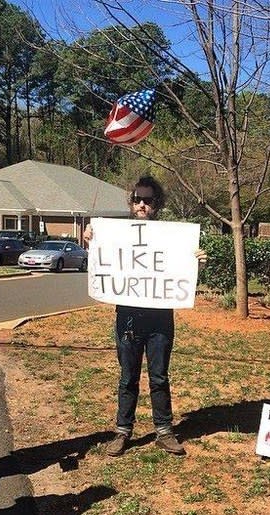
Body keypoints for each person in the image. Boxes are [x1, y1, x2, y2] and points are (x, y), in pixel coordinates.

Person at [85, 176, 204, 457]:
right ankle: (122, 431)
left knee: (159, 377)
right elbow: (100, 261)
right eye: (137, 199)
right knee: (128, 377)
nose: (141, 204)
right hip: (127, 318)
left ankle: (164, 431)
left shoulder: (173, 236)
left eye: (148, 200)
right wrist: (91, 239)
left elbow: (181, 271)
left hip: (160, 318)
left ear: (157, 204)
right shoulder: (116, 234)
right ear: (131, 202)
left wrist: (195, 259)